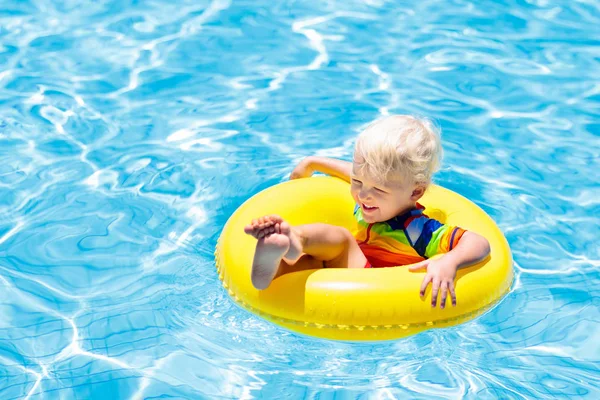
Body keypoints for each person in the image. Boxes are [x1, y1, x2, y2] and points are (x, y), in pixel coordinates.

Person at [243, 115, 490, 308]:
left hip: (378, 286)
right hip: (346, 267)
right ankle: (278, 258)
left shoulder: (420, 230)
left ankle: (295, 239)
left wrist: (450, 262)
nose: (362, 195)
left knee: (340, 239)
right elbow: (352, 171)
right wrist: (313, 163)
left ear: (415, 192)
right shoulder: (370, 202)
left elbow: (479, 243)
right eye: (357, 182)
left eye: (377, 189)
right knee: (312, 261)